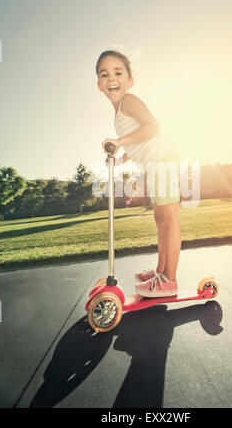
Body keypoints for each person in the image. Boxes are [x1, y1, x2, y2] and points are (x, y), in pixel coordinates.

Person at [96, 50, 181, 298]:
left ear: (130, 80)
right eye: (105, 74)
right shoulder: (119, 113)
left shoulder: (129, 101)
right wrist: (121, 157)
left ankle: (170, 280)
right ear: (99, 86)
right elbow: (137, 142)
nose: (112, 78)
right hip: (154, 166)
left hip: (162, 162)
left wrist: (120, 141)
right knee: (160, 221)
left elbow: (153, 128)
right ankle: (161, 273)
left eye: (118, 72)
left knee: (169, 219)